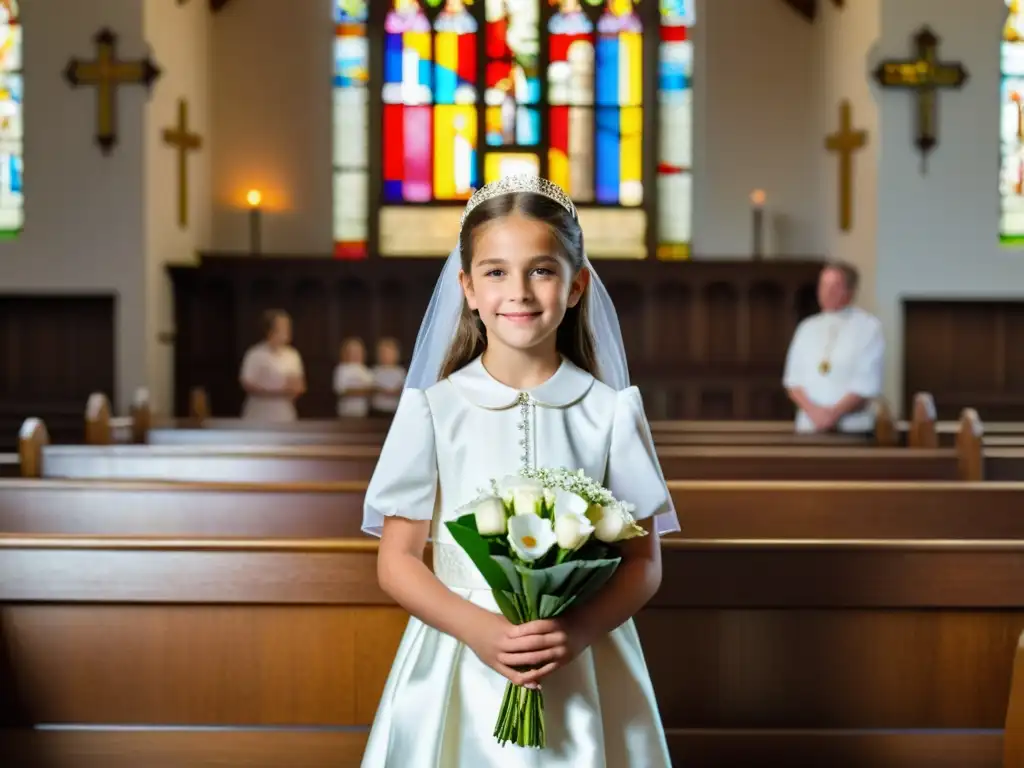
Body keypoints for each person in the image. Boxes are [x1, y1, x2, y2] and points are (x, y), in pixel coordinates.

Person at [360, 175, 678, 767]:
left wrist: (576, 632)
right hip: (460, 654)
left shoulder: (610, 412)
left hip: (579, 656)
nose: (521, 291)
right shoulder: (433, 410)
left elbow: (643, 564)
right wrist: (480, 631)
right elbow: (397, 559)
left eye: (542, 270)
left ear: (577, 285)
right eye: (496, 272)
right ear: (468, 289)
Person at [783, 261, 885, 434]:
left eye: (835, 286)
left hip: (852, 428)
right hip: (809, 426)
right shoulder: (807, 328)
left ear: (851, 291)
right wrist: (815, 413)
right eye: (823, 285)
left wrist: (833, 414)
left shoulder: (868, 327)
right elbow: (793, 381)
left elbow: (867, 382)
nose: (827, 292)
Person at [238, 309, 306, 422]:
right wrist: (276, 390)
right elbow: (247, 383)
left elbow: (300, 386)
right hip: (259, 415)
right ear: (270, 330)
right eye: (284, 327)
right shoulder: (255, 354)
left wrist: (290, 388)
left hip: (284, 414)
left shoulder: (293, 355)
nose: (288, 331)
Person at [334, 337, 374, 418]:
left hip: (363, 412)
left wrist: (356, 390)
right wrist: (362, 391)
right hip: (345, 412)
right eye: (352, 351)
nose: (355, 354)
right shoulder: (341, 369)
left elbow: (372, 390)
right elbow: (341, 390)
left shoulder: (366, 370)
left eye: (358, 351)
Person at [370, 337, 406, 415]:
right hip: (377, 409)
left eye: (389, 353)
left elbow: (404, 387)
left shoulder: (400, 372)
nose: (386, 356)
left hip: (395, 409)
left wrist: (395, 391)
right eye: (383, 353)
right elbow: (370, 387)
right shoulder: (374, 371)